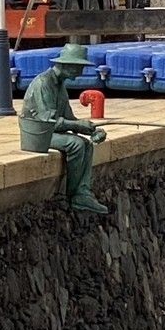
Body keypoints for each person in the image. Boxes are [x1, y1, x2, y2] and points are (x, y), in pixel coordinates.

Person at [19, 43, 109, 213]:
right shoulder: (43, 83)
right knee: (76, 144)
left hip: (49, 131)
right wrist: (77, 125)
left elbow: (68, 119)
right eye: (79, 68)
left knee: (87, 144)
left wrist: (91, 129)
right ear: (68, 66)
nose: (81, 72)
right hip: (38, 134)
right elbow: (49, 121)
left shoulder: (60, 86)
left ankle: (83, 192)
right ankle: (74, 195)